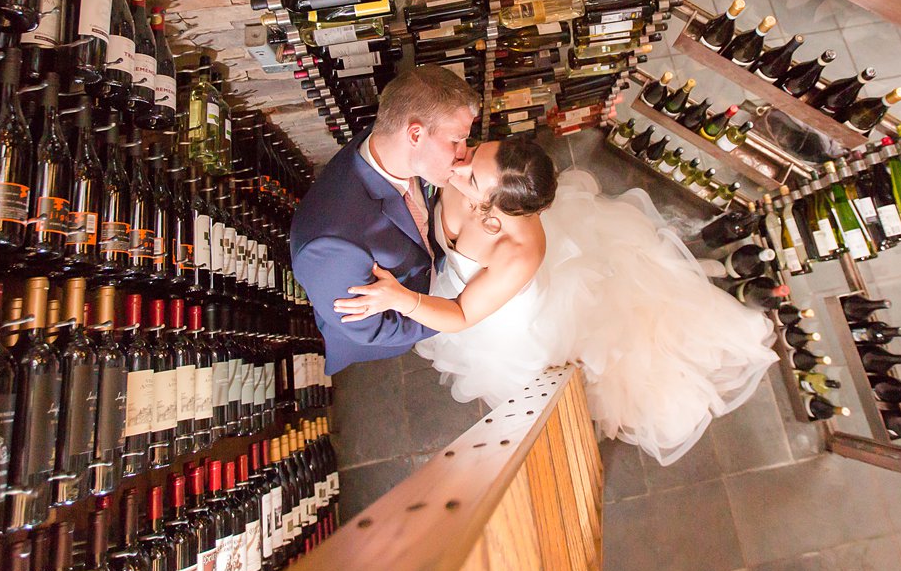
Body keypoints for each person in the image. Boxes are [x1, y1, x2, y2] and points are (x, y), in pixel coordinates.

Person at [333, 137, 779, 466]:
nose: (459, 164)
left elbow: (466, 313)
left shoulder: (518, 251)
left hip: (499, 317)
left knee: (524, 374)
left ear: (495, 212)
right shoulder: (473, 170)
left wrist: (400, 298)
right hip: (465, 285)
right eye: (474, 153)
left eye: (470, 176)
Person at [289, 65, 478, 374]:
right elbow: (370, 330)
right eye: (456, 140)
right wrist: (448, 316)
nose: (463, 152)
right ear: (415, 134)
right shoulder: (331, 243)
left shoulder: (389, 146)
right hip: (398, 330)